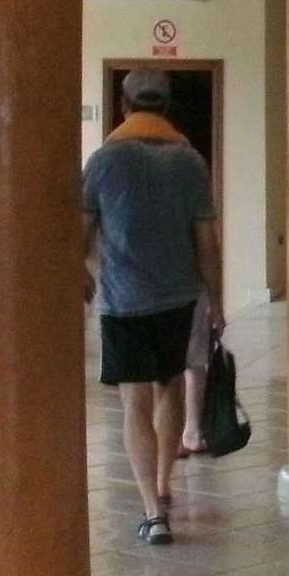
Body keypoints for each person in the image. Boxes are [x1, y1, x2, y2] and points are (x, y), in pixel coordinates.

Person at [82, 70, 223, 545]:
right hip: (178, 297)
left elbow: (79, 231)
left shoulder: (103, 161)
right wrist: (215, 299)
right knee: (170, 391)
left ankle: (152, 512)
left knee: (134, 402)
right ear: (165, 106)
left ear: (124, 105)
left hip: (123, 301)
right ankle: (164, 484)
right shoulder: (190, 162)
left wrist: (81, 272)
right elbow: (206, 243)